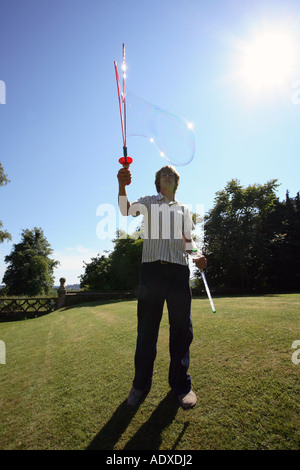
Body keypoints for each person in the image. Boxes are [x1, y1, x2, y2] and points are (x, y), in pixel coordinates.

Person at [117, 164, 207, 409]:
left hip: (179, 270)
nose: (167, 176)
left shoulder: (184, 210)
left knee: (181, 330)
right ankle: (140, 385)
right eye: (162, 175)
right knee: (147, 331)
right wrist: (122, 185)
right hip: (152, 271)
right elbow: (125, 209)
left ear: (176, 183)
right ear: (158, 183)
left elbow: (188, 241)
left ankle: (181, 385)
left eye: (171, 175)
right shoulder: (148, 201)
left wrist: (198, 256)